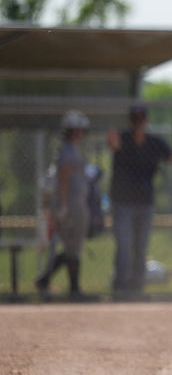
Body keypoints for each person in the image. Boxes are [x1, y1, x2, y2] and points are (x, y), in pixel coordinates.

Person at [106, 103, 172, 300]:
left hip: (144, 204)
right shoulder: (123, 139)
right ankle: (120, 290)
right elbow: (113, 145)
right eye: (135, 119)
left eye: (141, 118)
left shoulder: (155, 143)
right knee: (123, 247)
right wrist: (111, 141)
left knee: (140, 248)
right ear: (131, 121)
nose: (138, 122)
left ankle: (136, 290)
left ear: (146, 120)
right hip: (122, 203)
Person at [35, 110, 93, 302]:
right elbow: (64, 176)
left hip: (73, 204)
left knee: (71, 248)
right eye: (76, 130)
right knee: (73, 247)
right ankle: (72, 289)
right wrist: (64, 205)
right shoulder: (68, 150)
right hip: (71, 206)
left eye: (81, 130)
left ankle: (55, 282)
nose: (79, 133)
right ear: (70, 131)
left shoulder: (72, 149)